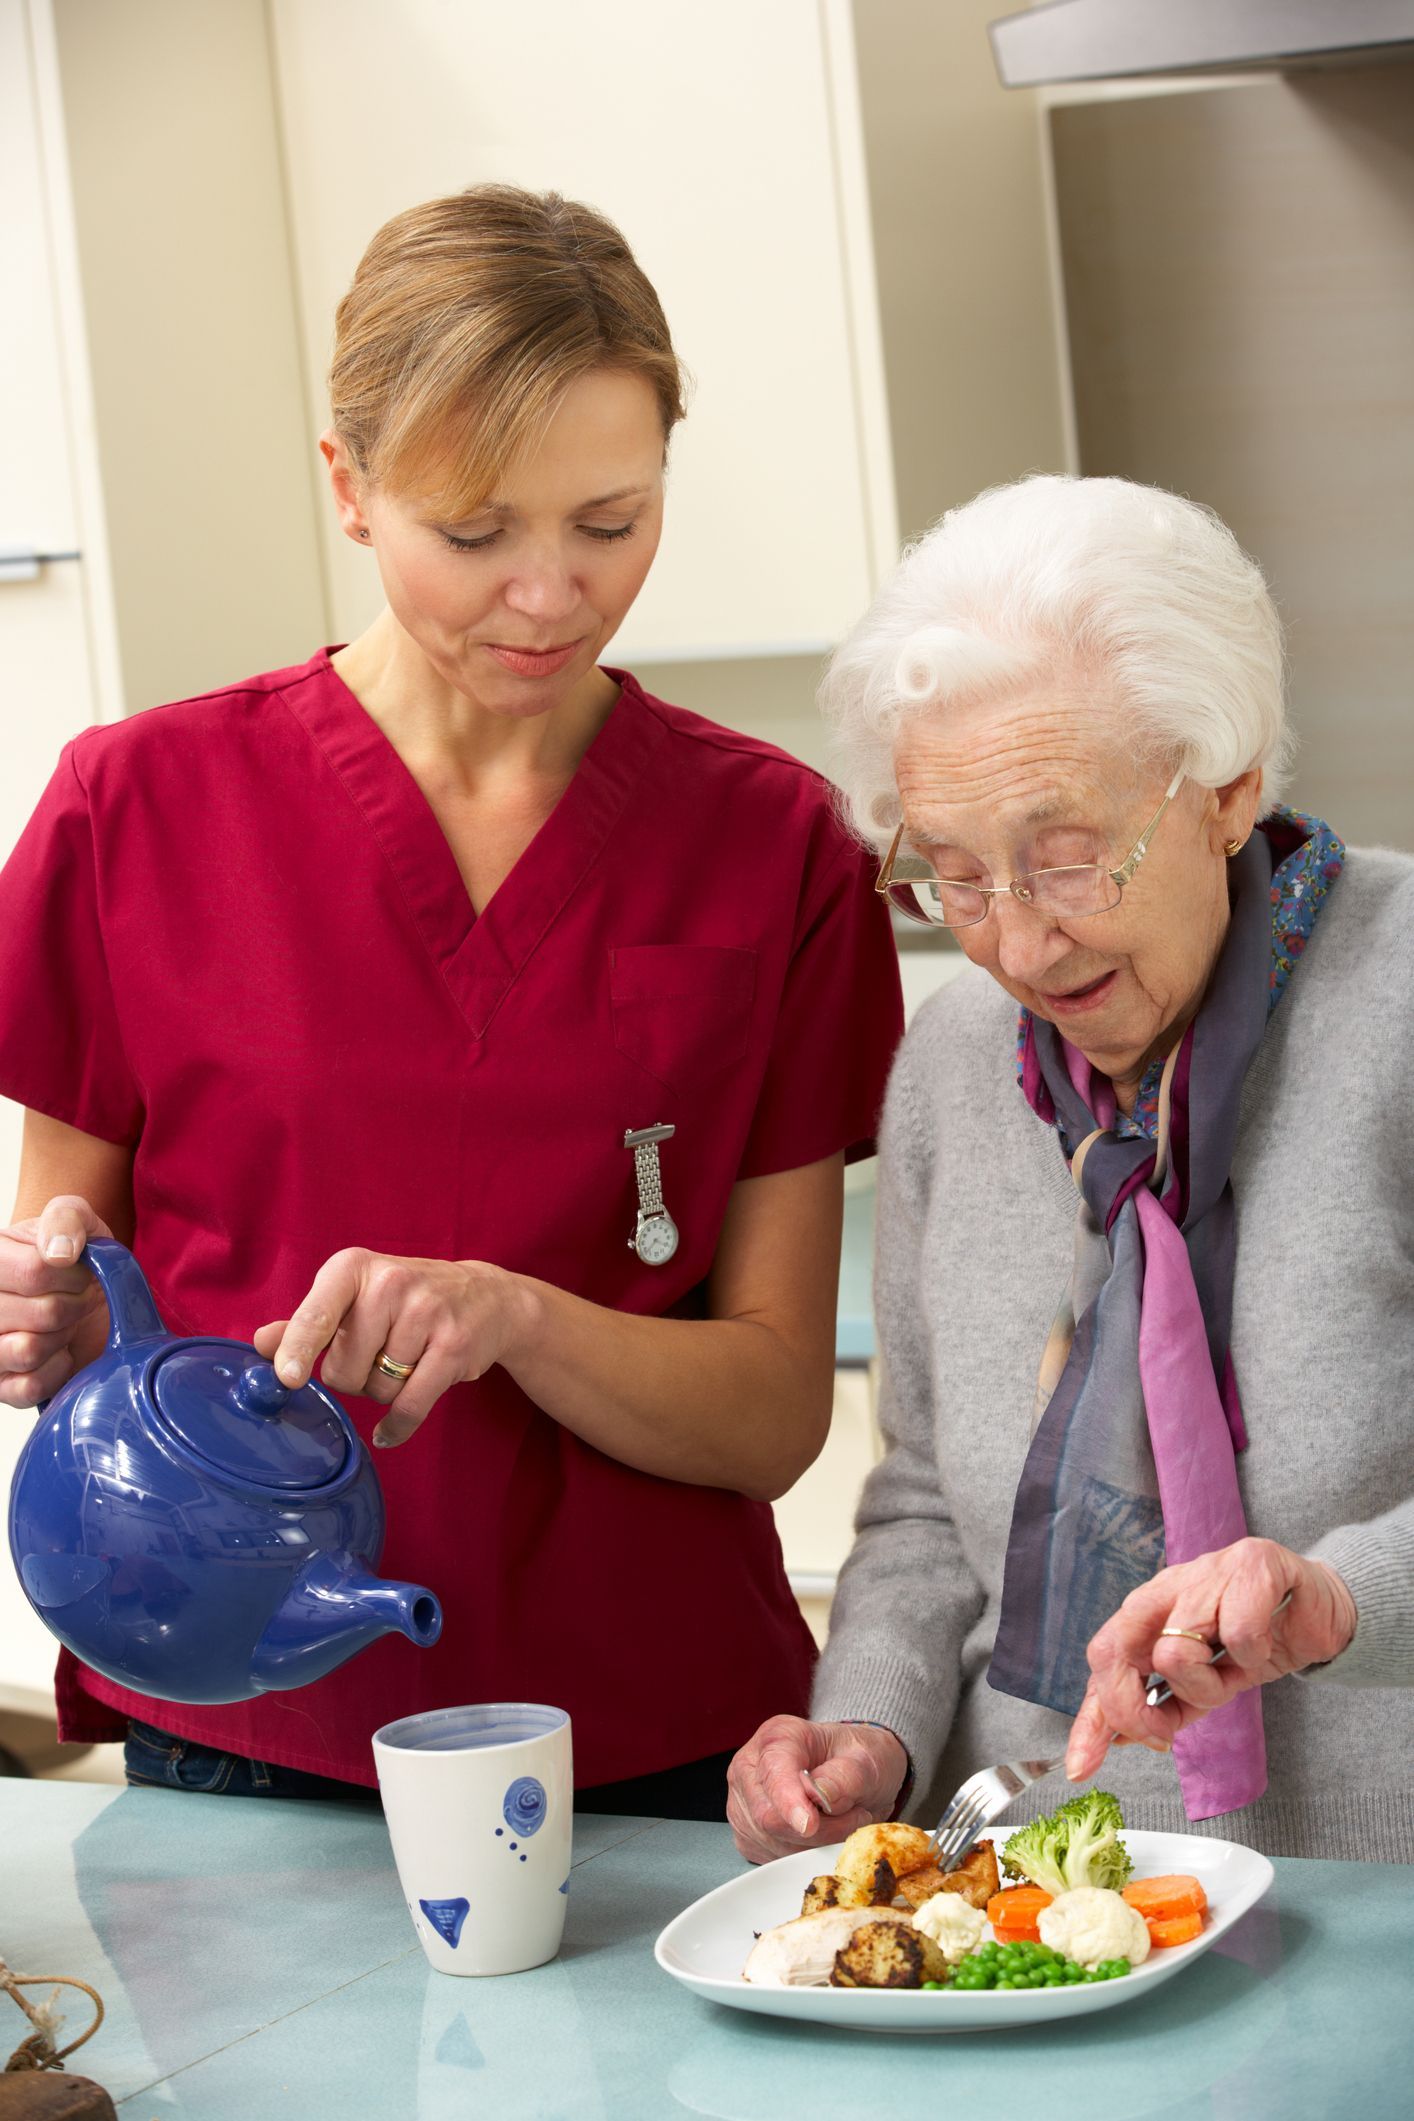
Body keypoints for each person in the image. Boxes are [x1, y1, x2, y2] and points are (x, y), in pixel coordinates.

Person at [0, 186, 902, 1816]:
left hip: (661, 1733)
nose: (549, 594)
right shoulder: (131, 811)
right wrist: (44, 1325)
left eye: (610, 523)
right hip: (244, 1712)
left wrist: (525, 1319)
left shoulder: (773, 848)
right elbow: (74, 1295)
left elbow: (773, 1410)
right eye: (475, 533)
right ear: (348, 487)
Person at [728, 475, 1413, 1864]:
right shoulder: (951, 1068)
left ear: (1226, 787)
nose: (1018, 950)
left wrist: (1340, 1595)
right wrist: (869, 1725)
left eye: (1067, 859)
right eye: (958, 876)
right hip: (1043, 1896)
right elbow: (925, 1497)